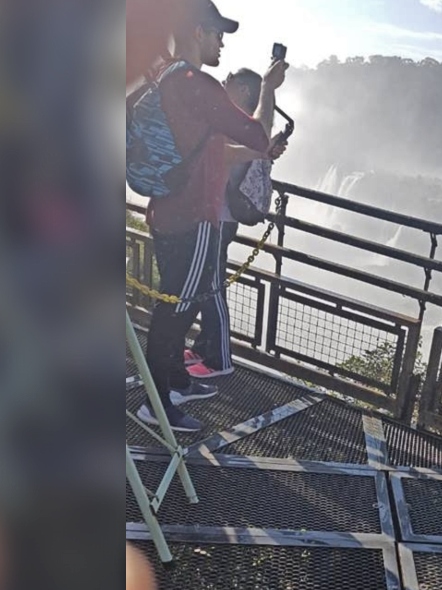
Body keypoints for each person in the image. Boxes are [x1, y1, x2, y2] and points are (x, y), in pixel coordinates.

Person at [137, 0, 287, 432]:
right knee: (177, 310)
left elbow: (208, 151)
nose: (222, 42)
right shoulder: (196, 84)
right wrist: (269, 87)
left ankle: (176, 381)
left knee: (179, 301)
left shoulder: (164, 77)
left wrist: (258, 150)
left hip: (167, 207)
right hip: (192, 217)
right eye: (218, 33)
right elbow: (256, 130)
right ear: (198, 32)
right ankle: (157, 402)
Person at [185, 67, 278, 378]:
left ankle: (219, 360)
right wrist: (263, 150)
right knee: (203, 285)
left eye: (230, 81)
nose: (223, 83)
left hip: (220, 218)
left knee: (212, 288)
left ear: (244, 92)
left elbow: (223, 155)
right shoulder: (236, 122)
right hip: (214, 215)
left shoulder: (238, 124)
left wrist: (269, 86)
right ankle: (202, 347)